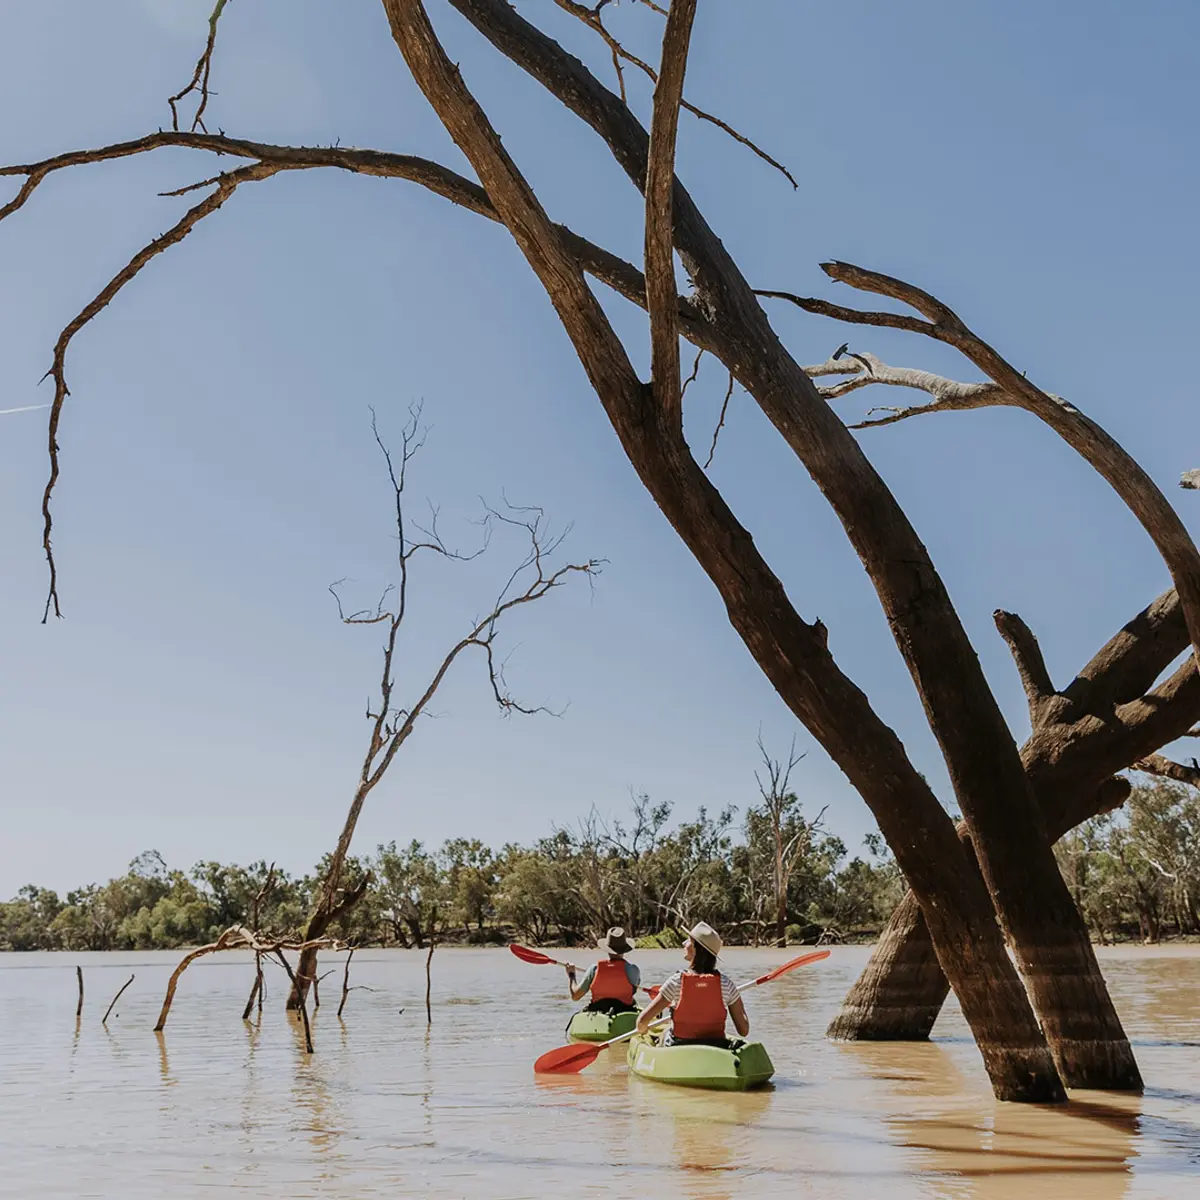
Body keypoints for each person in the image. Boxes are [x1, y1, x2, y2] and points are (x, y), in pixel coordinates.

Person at [636, 921, 749, 1046]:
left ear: (696, 948)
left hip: (680, 1048)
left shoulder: (675, 982)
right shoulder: (727, 985)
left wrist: (644, 1030)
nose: (684, 943)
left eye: (689, 941)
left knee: (665, 1033)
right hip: (716, 1048)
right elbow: (744, 1030)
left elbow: (641, 1023)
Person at [566, 927, 641, 1015]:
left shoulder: (594, 970)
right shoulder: (633, 970)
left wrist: (572, 975)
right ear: (625, 948)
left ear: (607, 948)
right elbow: (633, 989)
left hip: (598, 1012)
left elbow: (575, 996)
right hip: (624, 1013)